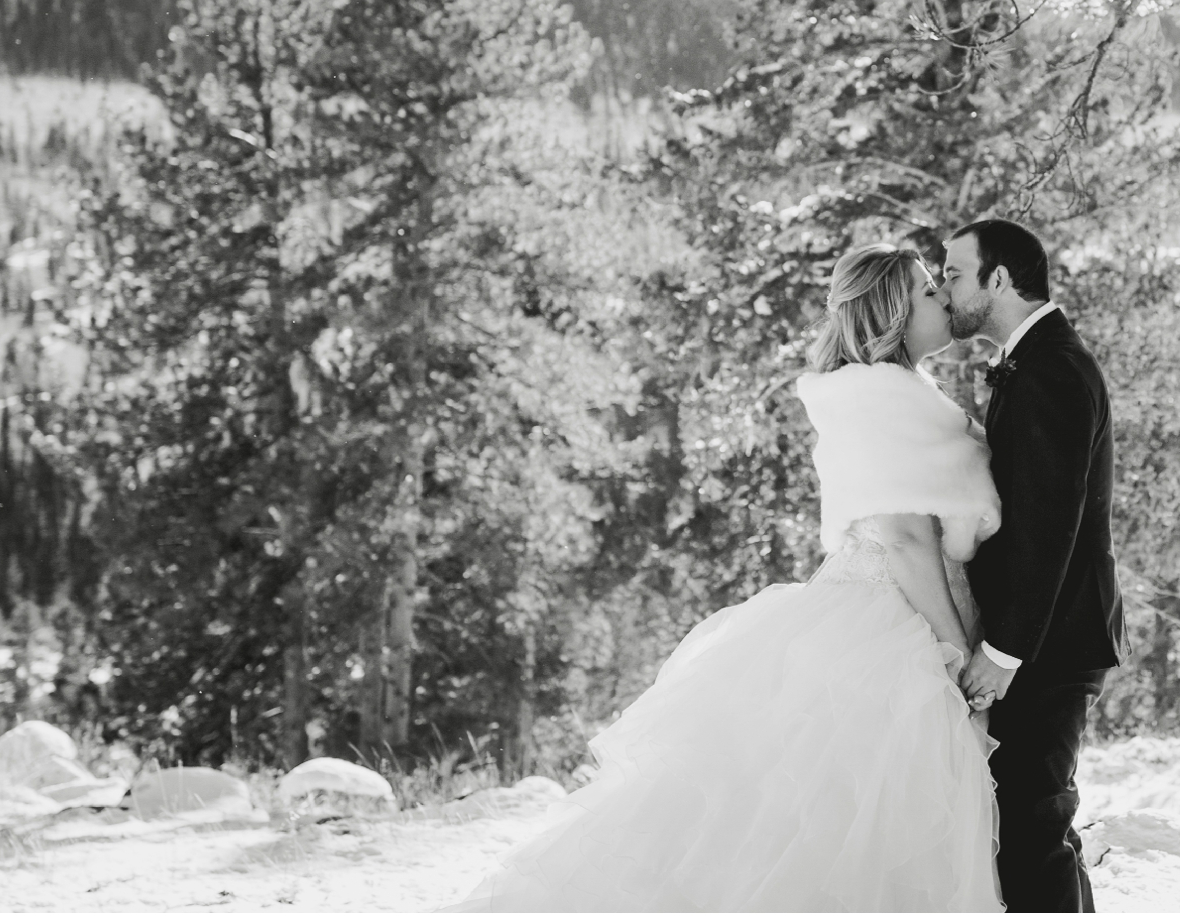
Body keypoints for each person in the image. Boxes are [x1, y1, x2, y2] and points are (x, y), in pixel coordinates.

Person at [452, 244, 1004, 912]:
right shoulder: (882, 395)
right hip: (892, 624)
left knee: (824, 821)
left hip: (883, 610)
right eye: (924, 291)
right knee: (850, 824)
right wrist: (955, 656)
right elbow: (908, 538)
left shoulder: (901, 391)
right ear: (890, 312)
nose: (943, 296)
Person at [943, 219, 1124, 913]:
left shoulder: (1050, 367)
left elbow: (1053, 523)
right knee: (1036, 822)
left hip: (1048, 641)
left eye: (956, 273)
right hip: (1047, 637)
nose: (945, 287)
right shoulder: (1036, 358)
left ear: (998, 279)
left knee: (1029, 827)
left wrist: (1004, 647)